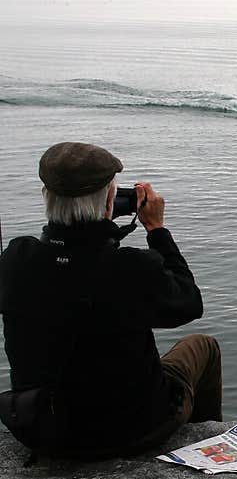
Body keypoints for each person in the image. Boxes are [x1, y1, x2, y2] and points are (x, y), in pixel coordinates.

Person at [0, 142, 222, 459]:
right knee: (203, 346)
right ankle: (204, 446)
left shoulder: (16, 259)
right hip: (132, 431)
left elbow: (65, 270)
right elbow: (189, 302)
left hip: (43, 429)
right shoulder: (130, 267)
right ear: (109, 201)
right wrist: (156, 229)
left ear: (47, 197)